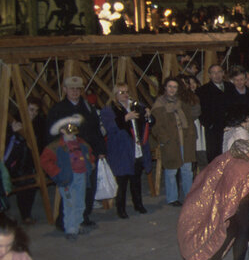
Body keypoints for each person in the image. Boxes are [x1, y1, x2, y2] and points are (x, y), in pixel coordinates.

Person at [46, 76, 104, 229]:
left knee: (88, 188)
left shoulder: (87, 108)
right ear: (65, 90)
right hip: (68, 157)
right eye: (72, 89)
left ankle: (82, 217)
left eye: (78, 89)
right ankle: (63, 221)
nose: (75, 92)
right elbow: (51, 135)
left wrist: (100, 151)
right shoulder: (58, 110)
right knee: (69, 190)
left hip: (87, 155)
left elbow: (96, 130)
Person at [100, 84, 152, 218]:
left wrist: (148, 114)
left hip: (137, 147)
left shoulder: (136, 105)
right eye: (121, 92)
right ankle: (121, 208)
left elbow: (149, 123)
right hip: (121, 149)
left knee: (136, 179)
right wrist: (124, 118)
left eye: (127, 92)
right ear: (115, 94)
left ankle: (138, 204)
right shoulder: (109, 109)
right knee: (122, 181)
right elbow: (109, 127)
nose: (125, 95)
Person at [39, 116, 95, 241]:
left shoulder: (81, 143)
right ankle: (70, 228)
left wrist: (91, 163)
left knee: (80, 202)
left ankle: (78, 224)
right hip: (66, 179)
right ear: (62, 131)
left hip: (82, 175)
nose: (72, 135)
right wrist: (57, 173)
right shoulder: (55, 146)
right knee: (70, 204)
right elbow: (45, 161)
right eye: (69, 132)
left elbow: (89, 153)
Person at [151, 77, 200, 207]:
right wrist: (164, 138)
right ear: (165, 88)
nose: (172, 89)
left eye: (175, 87)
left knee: (187, 169)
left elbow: (190, 118)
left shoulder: (182, 103)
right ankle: (172, 198)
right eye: (170, 86)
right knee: (171, 170)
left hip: (185, 140)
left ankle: (189, 195)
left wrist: (190, 133)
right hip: (171, 142)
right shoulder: (159, 105)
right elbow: (156, 126)